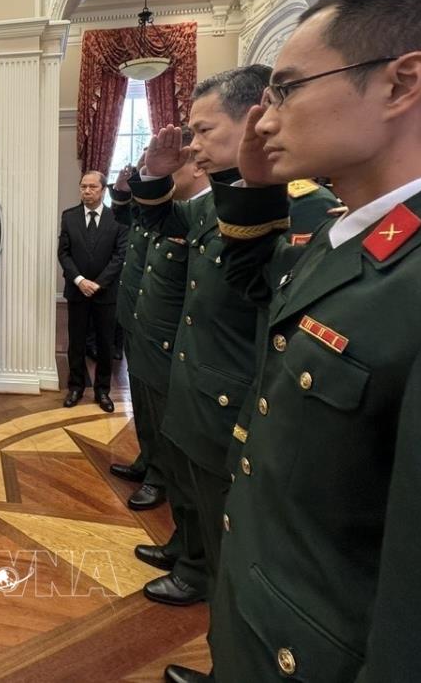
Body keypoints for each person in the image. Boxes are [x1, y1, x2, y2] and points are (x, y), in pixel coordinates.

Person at [201, 0, 421, 683]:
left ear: (401, 83)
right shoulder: (351, 232)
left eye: (287, 89)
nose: (264, 118)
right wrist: (253, 189)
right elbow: (255, 291)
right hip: (263, 621)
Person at [129, 66, 336, 627]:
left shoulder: (304, 208)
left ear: (252, 121)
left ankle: (207, 585)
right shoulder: (217, 202)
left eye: (204, 130)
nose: (194, 145)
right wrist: (153, 174)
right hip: (193, 378)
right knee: (190, 490)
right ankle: (189, 557)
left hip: (233, 391)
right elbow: (161, 223)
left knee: (225, 523)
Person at [110, 139, 211, 607]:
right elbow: (130, 216)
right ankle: (182, 544)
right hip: (147, 329)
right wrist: (131, 185)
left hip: (177, 347)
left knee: (186, 462)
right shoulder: (177, 213)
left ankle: (193, 558)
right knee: (152, 418)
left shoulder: (208, 215)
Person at [58, 170, 128, 412]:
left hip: (105, 294)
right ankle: (75, 387)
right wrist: (80, 281)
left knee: (105, 343)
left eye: (92, 187)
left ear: (103, 190)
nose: (87, 191)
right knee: (76, 342)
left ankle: (102, 391)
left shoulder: (116, 219)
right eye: (83, 187)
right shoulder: (69, 217)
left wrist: (98, 284)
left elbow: (119, 256)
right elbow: (63, 253)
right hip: (77, 290)